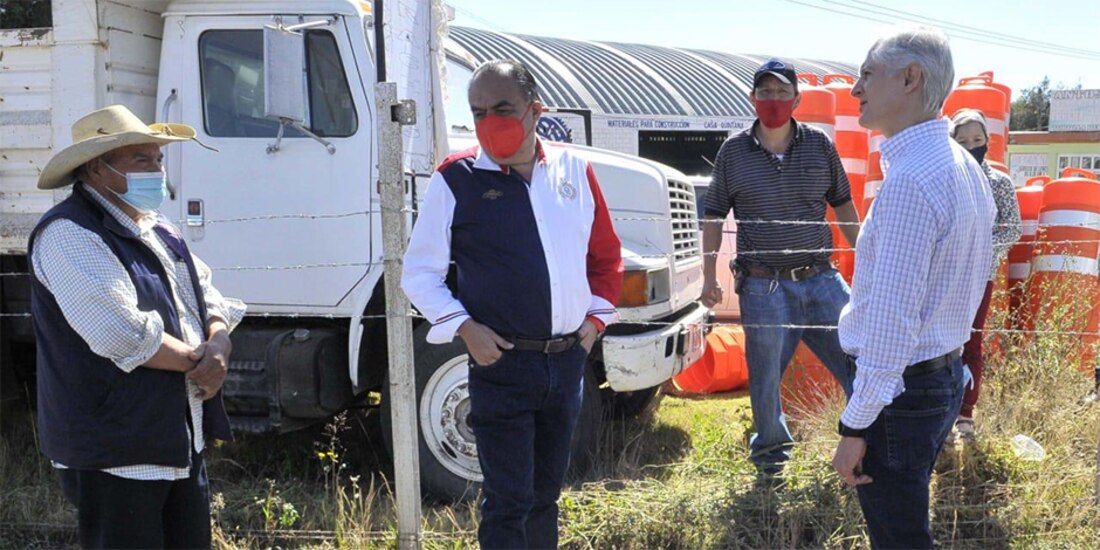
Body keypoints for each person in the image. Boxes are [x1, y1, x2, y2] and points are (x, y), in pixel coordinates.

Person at [401, 59, 623, 549]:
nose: (490, 122)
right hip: (501, 366)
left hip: (566, 364)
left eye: (503, 109)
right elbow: (417, 273)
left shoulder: (575, 172)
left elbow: (605, 257)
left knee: (546, 498)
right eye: (478, 111)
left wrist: (592, 326)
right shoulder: (456, 179)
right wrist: (464, 328)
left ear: (535, 110)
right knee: (508, 503)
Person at [29, 105, 245, 548]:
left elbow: (205, 293)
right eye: (141, 160)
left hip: (176, 440)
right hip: (116, 450)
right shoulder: (69, 233)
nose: (156, 170)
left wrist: (218, 341)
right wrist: (199, 363)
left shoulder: (156, 227)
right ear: (97, 169)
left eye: (158, 159)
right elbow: (120, 333)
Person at [831, 27, 995, 549]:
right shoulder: (963, 168)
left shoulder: (909, 182)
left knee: (899, 537)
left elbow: (891, 325)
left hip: (901, 393)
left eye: (867, 74)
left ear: (910, 78)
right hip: (941, 375)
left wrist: (854, 427)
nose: (856, 89)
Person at [702, 59, 860, 476]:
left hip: (821, 280)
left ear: (797, 99)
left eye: (781, 92)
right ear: (753, 98)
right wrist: (707, 277)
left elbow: (843, 205)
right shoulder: (733, 152)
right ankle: (772, 463)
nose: (773, 100)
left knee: (859, 360)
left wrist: (868, 260)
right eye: (765, 92)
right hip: (763, 287)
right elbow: (714, 215)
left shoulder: (820, 145)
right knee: (765, 382)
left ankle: (869, 442)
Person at [949, 108, 1022, 439]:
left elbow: (1012, 229)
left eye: (977, 139)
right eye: (962, 140)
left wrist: (979, 251)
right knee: (940, 343)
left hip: (981, 276)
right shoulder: (947, 178)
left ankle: (966, 414)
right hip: (946, 275)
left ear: (988, 142)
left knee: (971, 343)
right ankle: (942, 413)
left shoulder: (999, 182)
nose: (971, 145)